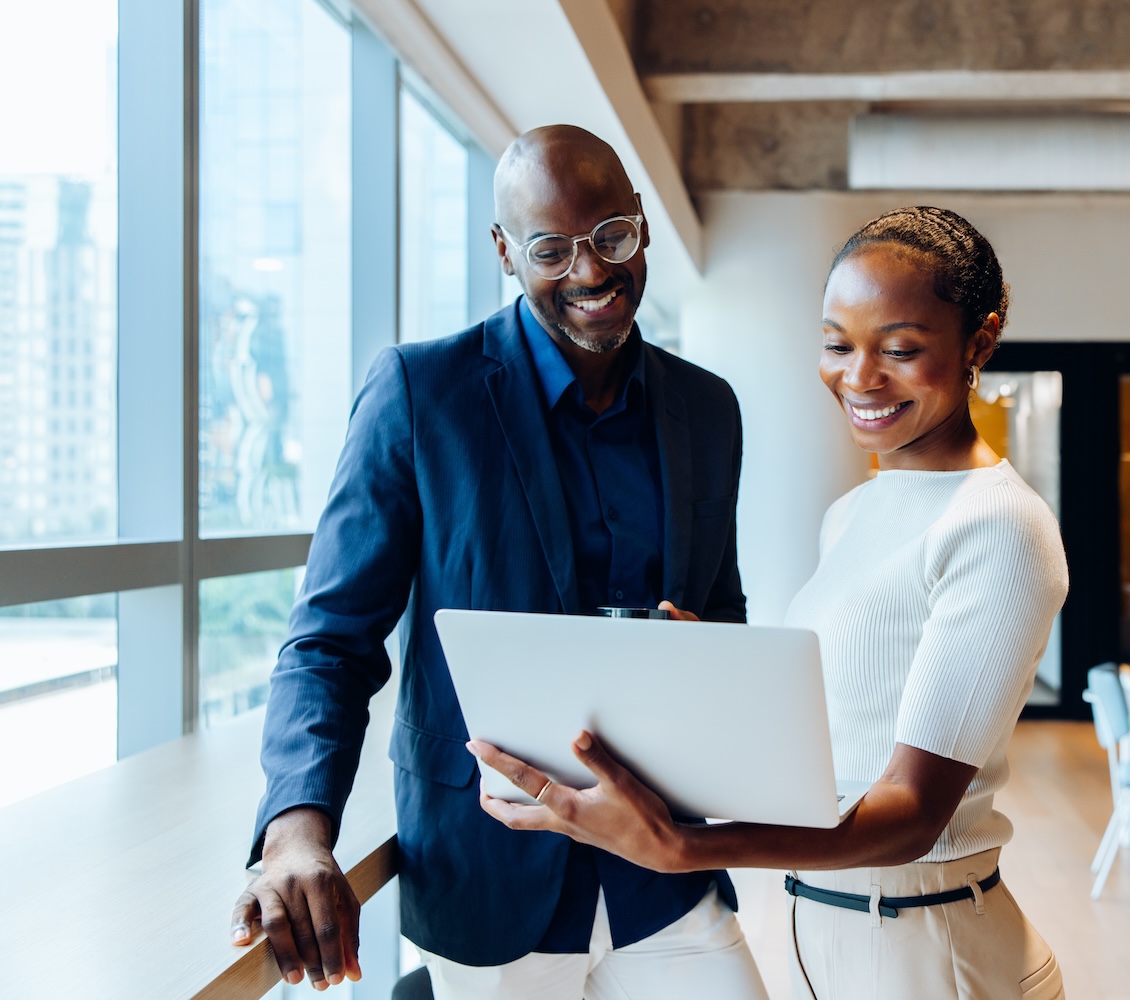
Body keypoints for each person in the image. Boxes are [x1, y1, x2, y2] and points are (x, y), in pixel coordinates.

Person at [471, 206, 1070, 998]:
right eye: (836, 344)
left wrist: (682, 847)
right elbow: (836, 738)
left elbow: (914, 812)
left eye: (899, 350)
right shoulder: (855, 511)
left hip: (933, 949)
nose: (859, 378)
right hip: (826, 933)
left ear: (980, 342)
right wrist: (707, 668)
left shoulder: (1000, 524)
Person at [230, 125, 768, 1000]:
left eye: (611, 238)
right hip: (490, 878)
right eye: (551, 250)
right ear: (505, 253)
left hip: (663, 873)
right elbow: (330, 641)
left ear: (641, 223)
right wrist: (295, 832)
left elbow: (726, 613)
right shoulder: (419, 394)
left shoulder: (709, 410)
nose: (591, 273)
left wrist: (706, 656)